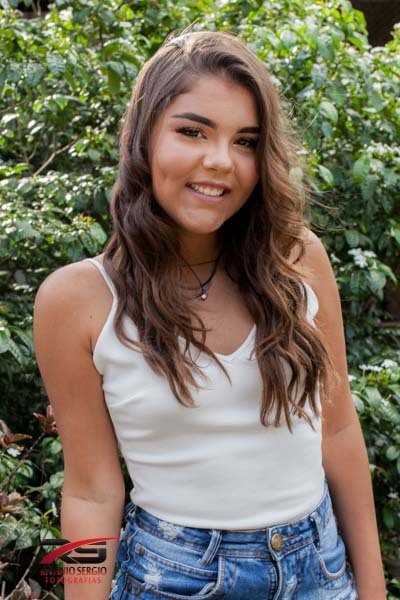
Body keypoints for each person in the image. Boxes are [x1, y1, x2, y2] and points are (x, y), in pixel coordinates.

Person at [33, 28, 386, 600]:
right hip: (173, 577)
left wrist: (373, 590)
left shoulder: (297, 259)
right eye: (192, 131)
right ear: (143, 137)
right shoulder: (78, 299)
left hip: (319, 570)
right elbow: (91, 492)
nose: (221, 161)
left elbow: (339, 428)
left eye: (246, 141)